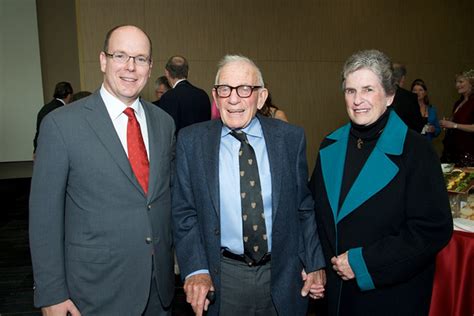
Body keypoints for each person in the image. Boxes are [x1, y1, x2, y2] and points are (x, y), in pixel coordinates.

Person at [29, 25, 176, 315]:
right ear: (103, 60)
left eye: (141, 58)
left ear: (150, 67)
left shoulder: (164, 122)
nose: (130, 67)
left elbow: (160, 199)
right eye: (120, 55)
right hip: (94, 292)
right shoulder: (61, 125)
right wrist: (51, 292)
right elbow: (44, 217)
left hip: (158, 290)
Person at [172, 55, 326, 316]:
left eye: (245, 89)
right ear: (215, 95)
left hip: (283, 273)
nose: (233, 99)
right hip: (224, 276)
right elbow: (184, 213)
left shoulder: (290, 139)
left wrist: (314, 262)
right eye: (225, 89)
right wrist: (197, 269)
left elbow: (303, 206)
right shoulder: (191, 141)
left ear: (262, 96)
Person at [309, 50, 452, 316]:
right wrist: (314, 264)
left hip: (391, 297)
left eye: (367, 89)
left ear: (389, 95)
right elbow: (312, 211)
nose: (357, 100)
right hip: (336, 297)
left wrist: (364, 262)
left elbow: (432, 229)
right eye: (350, 91)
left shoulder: (416, 150)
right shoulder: (330, 144)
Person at [159, 55, 211, 133]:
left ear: (167, 72)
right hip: (202, 144)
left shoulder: (168, 97)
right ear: (188, 72)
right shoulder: (202, 95)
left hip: (179, 144)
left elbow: (166, 131)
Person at [440, 69, 474, 166]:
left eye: (461, 82)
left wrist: (454, 125)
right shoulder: (458, 103)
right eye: (456, 82)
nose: (457, 85)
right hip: (454, 150)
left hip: (468, 151)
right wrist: (448, 124)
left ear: (471, 83)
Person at [33, 81, 73, 153]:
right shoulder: (64, 110)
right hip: (55, 149)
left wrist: (35, 150)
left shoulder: (45, 108)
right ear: (69, 95)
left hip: (41, 146)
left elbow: (38, 131)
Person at [391, 63, 424, 132]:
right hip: (403, 139)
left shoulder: (379, 93)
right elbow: (418, 125)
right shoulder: (410, 97)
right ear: (402, 78)